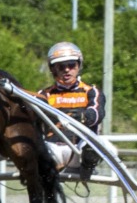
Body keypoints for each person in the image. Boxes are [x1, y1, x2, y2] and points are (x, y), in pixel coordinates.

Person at [36, 41, 104, 176]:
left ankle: (87, 168)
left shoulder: (91, 91)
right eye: (61, 66)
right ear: (52, 69)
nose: (67, 70)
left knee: (99, 146)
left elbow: (97, 113)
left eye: (71, 65)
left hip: (79, 151)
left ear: (79, 66)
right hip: (52, 150)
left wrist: (82, 117)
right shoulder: (43, 95)